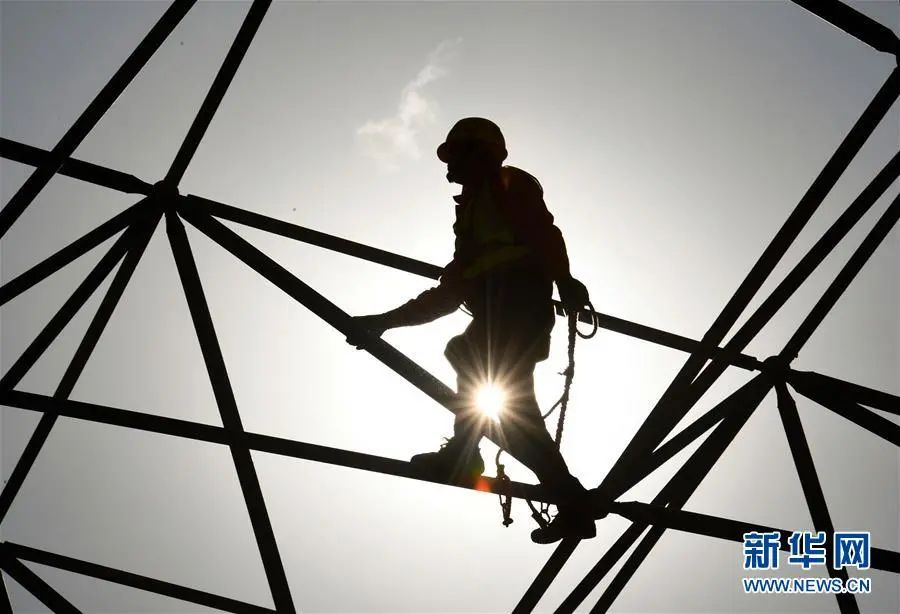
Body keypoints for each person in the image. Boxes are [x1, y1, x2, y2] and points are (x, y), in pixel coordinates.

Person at [347, 117, 596, 543]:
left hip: (519, 306)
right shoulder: (470, 220)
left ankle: (465, 457)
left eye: (456, 156)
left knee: (467, 354)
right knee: (516, 416)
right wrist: (384, 322)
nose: (449, 167)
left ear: (481, 154)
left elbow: (543, 234)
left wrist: (566, 281)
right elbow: (449, 294)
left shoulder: (508, 186)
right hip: (501, 314)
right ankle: (570, 501)